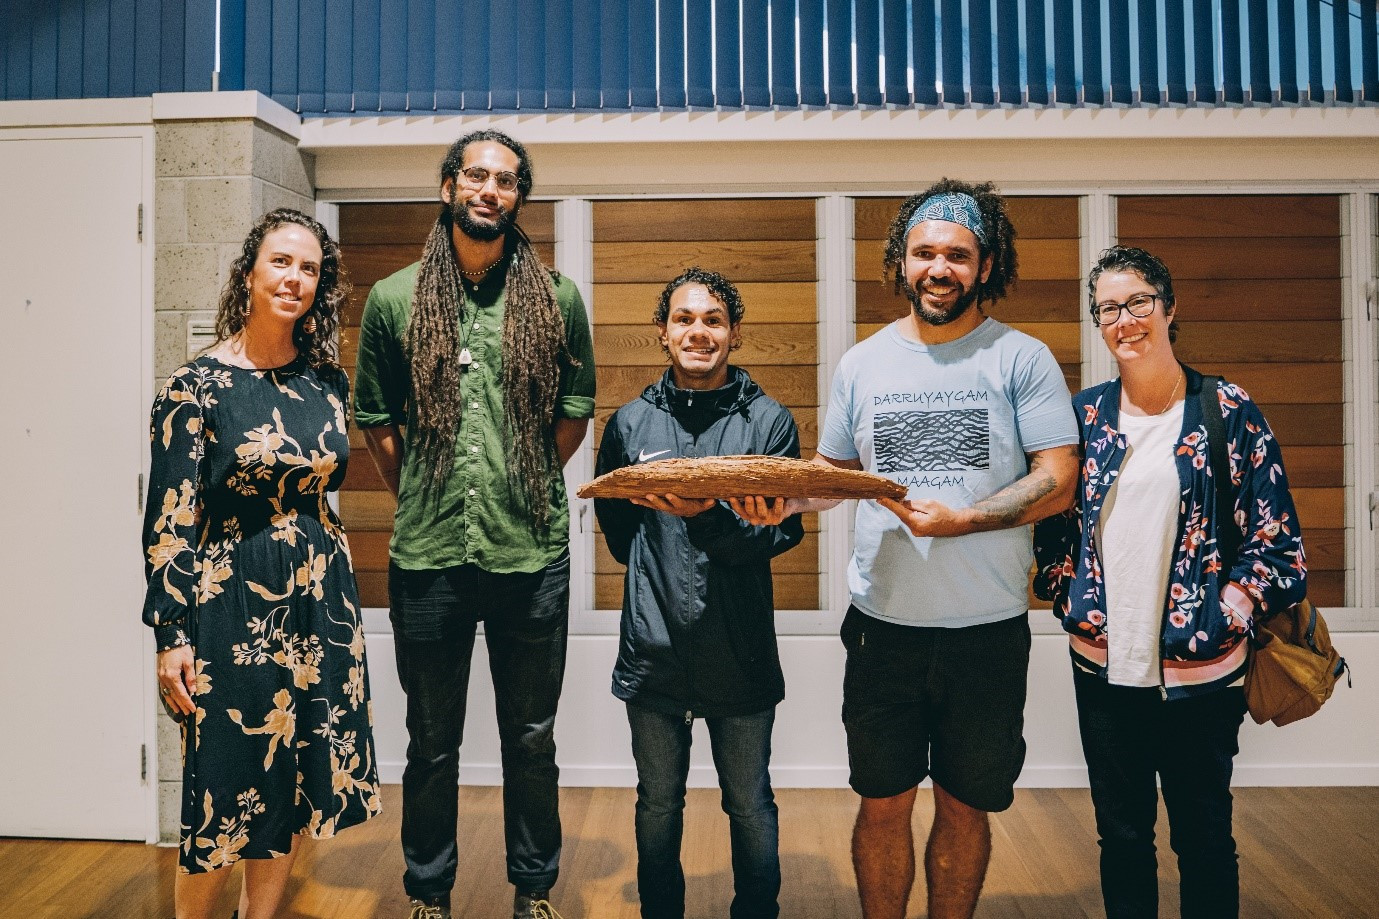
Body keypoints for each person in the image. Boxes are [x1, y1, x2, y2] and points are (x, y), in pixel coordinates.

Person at [736, 180, 1079, 919]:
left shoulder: (1020, 358)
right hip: (882, 628)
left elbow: (1057, 478)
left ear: (985, 265)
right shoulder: (862, 363)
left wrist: (964, 520)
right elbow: (835, 477)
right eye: (924, 252)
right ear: (900, 261)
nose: (938, 267)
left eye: (957, 255)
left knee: (963, 808)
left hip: (985, 633)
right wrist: (784, 500)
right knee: (883, 803)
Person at [353, 129, 596, 919]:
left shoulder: (556, 299)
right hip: (428, 558)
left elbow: (572, 412)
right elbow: (379, 422)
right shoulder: (394, 299)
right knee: (430, 741)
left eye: (506, 179)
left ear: (519, 196)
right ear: (449, 185)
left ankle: (533, 890)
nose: (490, 189)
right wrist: (427, 489)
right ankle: (430, 892)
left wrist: (520, 482)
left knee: (530, 737)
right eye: (476, 175)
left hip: (530, 552)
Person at [1034, 246, 1307, 919]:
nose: (1123, 319)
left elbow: (1278, 541)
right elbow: (1050, 526)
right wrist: (1070, 593)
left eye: (1137, 302)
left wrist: (1226, 609)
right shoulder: (1084, 417)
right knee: (1121, 835)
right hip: (1101, 668)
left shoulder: (1226, 408)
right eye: (1107, 309)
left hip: (1202, 675)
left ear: (1168, 307)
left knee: (1202, 835)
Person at [143, 208, 382, 919]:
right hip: (231, 609)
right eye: (281, 262)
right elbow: (168, 519)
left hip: (320, 605)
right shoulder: (195, 388)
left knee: (294, 786)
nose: (294, 278)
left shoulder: (325, 385)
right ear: (248, 273)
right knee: (226, 785)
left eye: (309, 268)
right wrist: (170, 634)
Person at [593, 268, 804, 919]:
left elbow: (774, 536)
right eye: (684, 319)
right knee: (657, 803)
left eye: (712, 319)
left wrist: (699, 513)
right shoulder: (628, 424)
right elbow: (622, 535)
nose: (698, 331)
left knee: (749, 802)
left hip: (739, 656)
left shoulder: (770, 423)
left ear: (734, 333)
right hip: (653, 657)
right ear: (662, 331)